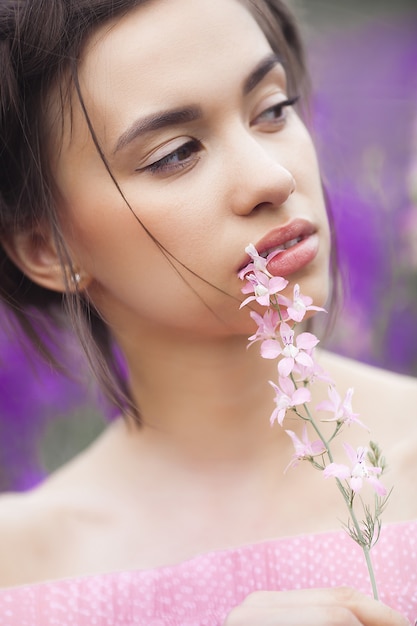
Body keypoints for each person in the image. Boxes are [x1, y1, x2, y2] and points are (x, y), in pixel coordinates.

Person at [0, 0, 416, 624]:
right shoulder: (22, 572)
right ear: (44, 248)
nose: (271, 177)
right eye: (175, 153)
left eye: (273, 110)